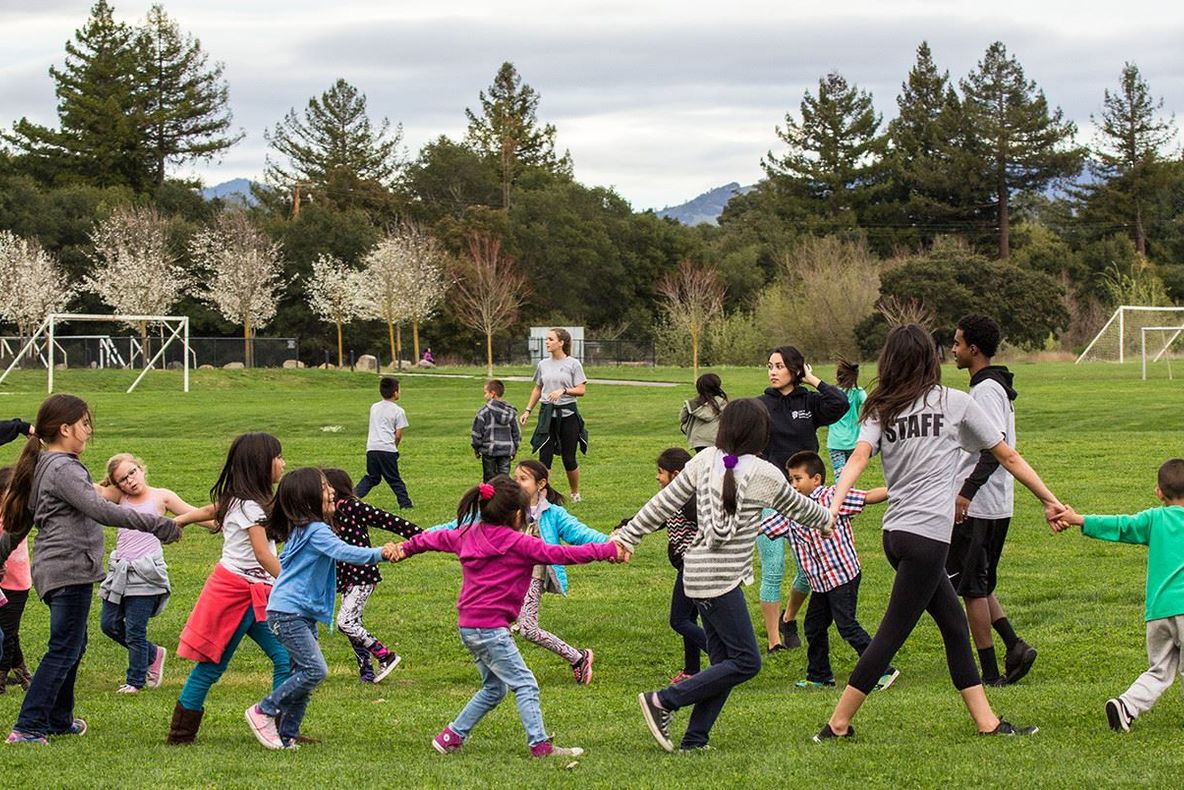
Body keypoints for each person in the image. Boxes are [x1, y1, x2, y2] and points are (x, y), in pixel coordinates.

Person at [815, 323, 1062, 742]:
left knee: (953, 624)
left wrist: (835, 504)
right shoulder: (954, 403)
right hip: (927, 540)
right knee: (891, 635)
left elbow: (857, 457)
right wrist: (1049, 499)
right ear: (930, 360)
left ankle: (987, 722)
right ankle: (836, 725)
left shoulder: (882, 406)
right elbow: (1008, 456)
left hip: (895, 536)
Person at [615, 398, 832, 752]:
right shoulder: (765, 473)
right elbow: (799, 507)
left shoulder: (703, 460)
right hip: (719, 580)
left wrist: (628, 535)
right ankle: (664, 701)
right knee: (746, 661)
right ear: (761, 433)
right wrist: (827, 520)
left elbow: (663, 503)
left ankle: (695, 739)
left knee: (722, 664)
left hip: (695, 572)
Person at [393, 474, 624, 758]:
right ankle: (540, 745)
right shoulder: (519, 544)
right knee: (525, 683)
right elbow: (564, 554)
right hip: (491, 630)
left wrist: (405, 548)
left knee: (494, 689)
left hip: (468, 627)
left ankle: (450, 736)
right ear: (517, 514)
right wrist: (608, 549)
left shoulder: (463, 535)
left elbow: (431, 539)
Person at [0, 394, 181, 745]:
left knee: (73, 644)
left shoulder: (47, 465)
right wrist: (156, 524)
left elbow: (23, 522)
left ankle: (58, 719)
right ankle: (28, 726)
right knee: (64, 648)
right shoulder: (63, 468)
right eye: (84, 424)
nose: (89, 430)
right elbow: (101, 510)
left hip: (63, 570)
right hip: (67, 569)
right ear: (65, 429)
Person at [245, 467, 400, 749]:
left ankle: (287, 735)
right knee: (315, 671)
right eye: (325, 487)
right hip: (289, 613)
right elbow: (346, 552)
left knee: (301, 675)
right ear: (308, 498)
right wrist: (382, 553)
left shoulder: (305, 528)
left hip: (297, 613)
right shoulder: (315, 531)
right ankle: (263, 711)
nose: (331, 491)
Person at [431, 459, 607, 683]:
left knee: (526, 627)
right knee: (499, 622)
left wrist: (610, 543)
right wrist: (419, 535)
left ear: (541, 484)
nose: (517, 483)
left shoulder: (552, 513)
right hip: (505, 576)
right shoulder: (501, 506)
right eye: (516, 478)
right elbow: (455, 525)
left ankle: (577, 657)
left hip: (533, 573)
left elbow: (580, 533)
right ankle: (501, 668)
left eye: (523, 479)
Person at [166, 433, 290, 746]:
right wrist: (291, 585)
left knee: (286, 657)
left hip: (254, 592)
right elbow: (263, 554)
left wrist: (181, 520)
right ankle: (180, 735)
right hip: (236, 594)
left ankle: (281, 725)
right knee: (211, 666)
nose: (283, 463)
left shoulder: (245, 500)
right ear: (262, 465)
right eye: (278, 457)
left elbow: (212, 511)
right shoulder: (250, 506)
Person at [1053, 459, 1184, 733]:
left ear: (1159, 492)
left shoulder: (1153, 519)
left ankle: (1126, 706)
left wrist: (1079, 519)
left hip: (1158, 611)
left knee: (1159, 671)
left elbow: (1121, 525)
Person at [758, 451, 897, 690]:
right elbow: (762, 527)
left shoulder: (833, 498)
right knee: (813, 626)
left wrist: (901, 488)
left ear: (816, 480)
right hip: (820, 583)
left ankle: (883, 670)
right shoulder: (792, 510)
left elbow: (866, 497)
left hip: (843, 576)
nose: (793, 484)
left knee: (847, 625)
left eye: (798, 479)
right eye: (790, 479)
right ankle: (820, 676)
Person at [948, 314, 1036, 686]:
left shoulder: (985, 390)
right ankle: (1014, 645)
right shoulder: (990, 385)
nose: (952, 349)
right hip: (994, 503)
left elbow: (993, 448)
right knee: (980, 584)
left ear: (974, 349)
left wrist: (965, 493)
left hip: (980, 505)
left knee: (972, 590)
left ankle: (988, 672)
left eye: (957, 343)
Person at [758, 345, 849, 652]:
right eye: (770, 366)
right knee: (773, 567)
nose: (772, 371)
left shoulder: (809, 402)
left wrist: (813, 380)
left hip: (803, 500)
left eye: (779, 366)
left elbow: (840, 404)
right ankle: (774, 641)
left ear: (794, 370)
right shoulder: (761, 405)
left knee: (809, 572)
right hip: (770, 497)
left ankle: (789, 617)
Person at [94, 453, 205, 694]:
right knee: (109, 624)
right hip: (120, 572)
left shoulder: (161, 496)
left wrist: (221, 520)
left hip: (146, 573)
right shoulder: (119, 497)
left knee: (135, 628)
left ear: (140, 468)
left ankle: (135, 681)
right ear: (117, 484)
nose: (130, 481)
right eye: (123, 479)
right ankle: (154, 653)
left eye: (132, 472)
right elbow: (92, 491)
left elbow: (194, 513)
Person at [323, 468, 421, 683]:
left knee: (345, 622)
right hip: (347, 577)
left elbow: (387, 519)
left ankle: (385, 654)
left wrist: (422, 537)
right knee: (354, 622)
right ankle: (366, 670)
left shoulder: (351, 506)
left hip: (362, 575)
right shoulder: (328, 513)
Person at [654, 448, 707, 683]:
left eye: (660, 472)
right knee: (689, 618)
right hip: (686, 565)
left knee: (679, 620)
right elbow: (653, 518)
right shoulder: (672, 497)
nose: (657, 477)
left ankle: (723, 655)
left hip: (695, 565)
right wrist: (625, 527)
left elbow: (710, 523)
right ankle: (691, 670)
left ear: (676, 475)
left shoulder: (689, 499)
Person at [520, 328, 587, 502]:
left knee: (569, 458)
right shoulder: (543, 364)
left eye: (550, 339)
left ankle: (575, 493)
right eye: (546, 339)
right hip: (547, 415)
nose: (547, 342)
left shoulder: (573, 364)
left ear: (561, 343)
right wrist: (528, 410)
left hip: (568, 415)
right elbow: (538, 388)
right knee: (544, 458)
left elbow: (581, 390)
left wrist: (564, 391)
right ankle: (543, 495)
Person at [0, 467, 33, 697]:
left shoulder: (18, 516)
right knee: (8, 632)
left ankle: (0, 680)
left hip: (16, 583)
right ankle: (24, 675)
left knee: (7, 632)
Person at [356, 376, 413, 509]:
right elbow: (398, 435)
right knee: (394, 479)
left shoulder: (374, 407)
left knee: (373, 477)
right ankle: (406, 504)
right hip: (387, 449)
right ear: (395, 392)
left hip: (372, 449)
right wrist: (395, 447)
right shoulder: (398, 411)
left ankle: (353, 496)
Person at [472, 379, 521, 482]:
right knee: (504, 479)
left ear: (492, 394)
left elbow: (477, 433)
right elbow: (516, 432)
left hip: (489, 451)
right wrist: (515, 447)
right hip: (506, 450)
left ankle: (490, 497)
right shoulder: (510, 412)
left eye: (485, 393)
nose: (484, 396)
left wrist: (477, 448)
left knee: (489, 480)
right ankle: (503, 496)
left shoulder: (483, 412)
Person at [826, 358, 866, 477]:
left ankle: (843, 495)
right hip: (853, 442)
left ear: (838, 377)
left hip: (835, 442)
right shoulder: (858, 392)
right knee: (850, 476)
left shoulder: (832, 393)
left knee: (840, 477)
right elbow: (869, 404)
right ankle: (850, 495)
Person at [679, 373, 728, 452]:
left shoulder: (692, 403)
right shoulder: (722, 402)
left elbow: (682, 418)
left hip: (698, 440)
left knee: (702, 461)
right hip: (715, 438)